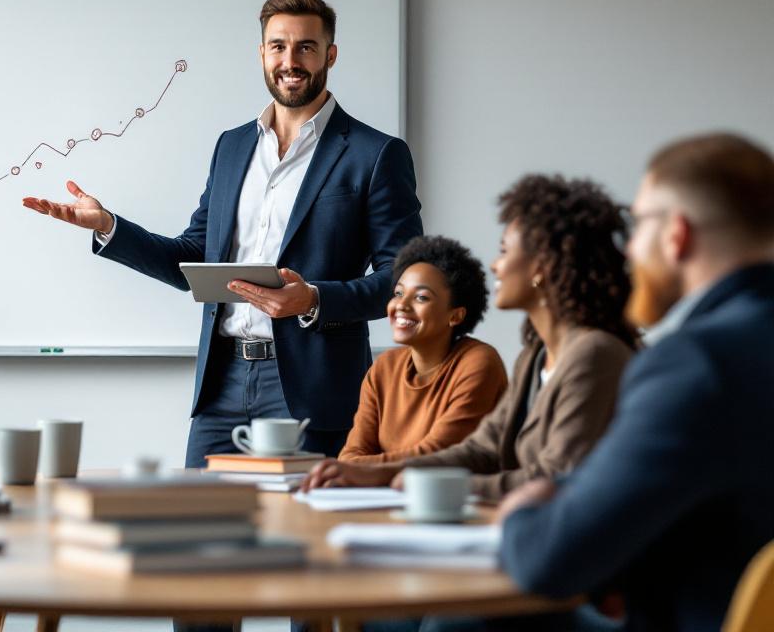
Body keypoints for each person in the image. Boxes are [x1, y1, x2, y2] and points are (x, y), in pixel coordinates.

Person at [24, 0, 423, 465]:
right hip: (222, 385)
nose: (290, 60)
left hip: (310, 390)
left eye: (306, 47)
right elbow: (192, 259)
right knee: (198, 523)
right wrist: (110, 226)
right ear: (262, 53)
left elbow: (404, 281)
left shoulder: (374, 153)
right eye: (278, 46)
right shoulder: (231, 147)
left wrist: (313, 299)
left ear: (330, 55)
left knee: (303, 533)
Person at [498, 134, 774, 631]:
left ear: (676, 236)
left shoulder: (695, 362)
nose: (627, 252)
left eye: (638, 223)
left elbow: (550, 562)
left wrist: (519, 512)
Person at [302, 175, 637, 503]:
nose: (495, 265)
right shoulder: (534, 356)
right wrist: (380, 474)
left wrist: (446, 486)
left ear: (541, 267)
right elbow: (483, 449)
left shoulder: (594, 354)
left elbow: (554, 478)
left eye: (504, 251)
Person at [336, 235, 506, 463]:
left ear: (456, 315)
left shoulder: (479, 363)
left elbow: (435, 456)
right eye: (398, 293)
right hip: (389, 495)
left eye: (421, 297)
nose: (401, 306)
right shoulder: (384, 368)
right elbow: (350, 456)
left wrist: (357, 468)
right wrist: (353, 467)